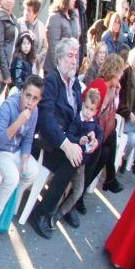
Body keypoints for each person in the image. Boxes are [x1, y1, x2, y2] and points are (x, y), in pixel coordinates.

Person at [29, 38, 86, 239]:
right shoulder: (52, 81)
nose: (74, 61)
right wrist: (66, 144)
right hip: (46, 141)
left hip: (66, 138)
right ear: (59, 58)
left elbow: (78, 115)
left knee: (90, 152)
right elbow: (46, 119)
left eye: (76, 56)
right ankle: (41, 212)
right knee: (71, 161)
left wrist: (87, 135)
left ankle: (67, 204)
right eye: (70, 56)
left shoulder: (75, 84)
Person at [0, 74, 44, 248]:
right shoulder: (8, 107)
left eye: (35, 98)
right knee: (12, 178)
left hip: (16, 152)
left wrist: (24, 160)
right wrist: (19, 121)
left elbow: (28, 139)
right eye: (28, 96)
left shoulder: (35, 111)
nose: (30, 102)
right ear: (21, 92)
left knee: (32, 171)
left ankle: (7, 208)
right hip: (0, 152)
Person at [52, 88, 104, 229]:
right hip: (71, 159)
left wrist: (96, 141)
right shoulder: (77, 120)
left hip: (81, 165)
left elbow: (100, 133)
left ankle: (60, 213)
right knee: (61, 187)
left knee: (78, 191)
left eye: (91, 109)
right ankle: (51, 214)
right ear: (82, 105)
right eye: (86, 107)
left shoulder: (93, 122)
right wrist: (77, 140)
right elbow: (69, 135)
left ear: (95, 111)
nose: (88, 112)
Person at [82, 54, 127, 196]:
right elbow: (92, 114)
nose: (120, 77)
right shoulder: (100, 85)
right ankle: (110, 178)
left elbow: (111, 114)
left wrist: (115, 94)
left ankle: (80, 195)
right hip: (86, 128)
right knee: (110, 135)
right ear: (113, 72)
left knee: (106, 152)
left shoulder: (109, 87)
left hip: (97, 129)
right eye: (119, 73)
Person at [45, 0, 82, 75]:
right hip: (55, 71)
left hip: (70, 69)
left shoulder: (74, 17)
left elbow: (77, 43)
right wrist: (59, 70)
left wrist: (75, 66)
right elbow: (53, 48)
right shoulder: (55, 17)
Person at [118, 47, 135, 177]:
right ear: (132, 62)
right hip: (121, 119)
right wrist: (129, 114)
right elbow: (119, 102)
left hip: (131, 122)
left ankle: (125, 160)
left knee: (132, 139)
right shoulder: (124, 76)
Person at [0, 0, 19, 93]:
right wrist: (6, 73)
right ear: (1, 0)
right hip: (0, 69)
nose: (8, 0)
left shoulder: (13, 18)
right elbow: (0, 47)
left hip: (8, 66)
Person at [21, 0, 47, 73]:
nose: (26, 13)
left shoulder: (41, 27)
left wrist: (37, 58)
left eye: (29, 10)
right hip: (20, 66)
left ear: (35, 13)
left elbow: (45, 47)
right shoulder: (18, 23)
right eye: (25, 9)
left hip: (35, 68)